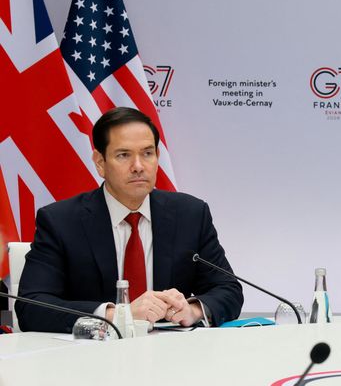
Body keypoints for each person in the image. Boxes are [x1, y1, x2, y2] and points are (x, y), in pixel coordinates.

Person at [16, 107, 243, 333]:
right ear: (100, 162)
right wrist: (118, 315)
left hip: (172, 357)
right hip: (90, 359)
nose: (138, 166)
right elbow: (31, 307)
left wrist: (191, 311)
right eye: (123, 155)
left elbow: (228, 289)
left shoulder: (190, 214)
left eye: (147, 153)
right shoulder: (61, 221)